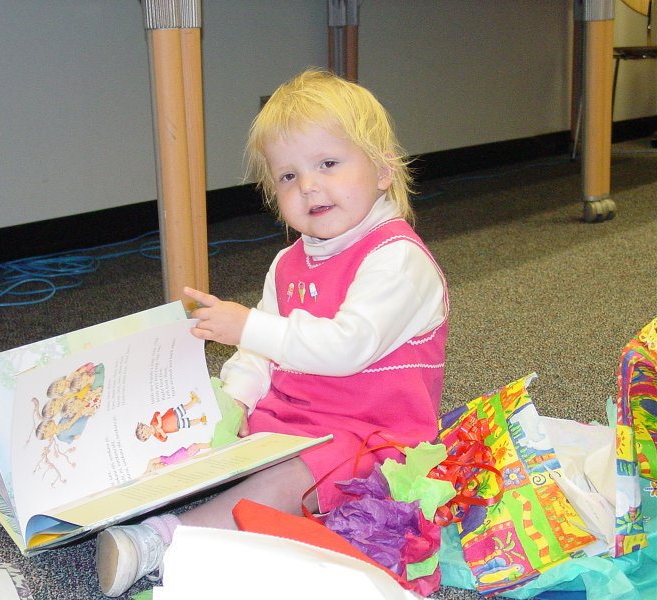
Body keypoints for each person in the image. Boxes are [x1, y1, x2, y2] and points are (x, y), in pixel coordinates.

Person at [95, 68, 449, 597]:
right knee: (193, 425)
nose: (308, 185)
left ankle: (163, 540)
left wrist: (249, 325)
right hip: (292, 419)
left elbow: (347, 346)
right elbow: (257, 353)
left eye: (328, 164)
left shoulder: (396, 259)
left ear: (382, 170)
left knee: (291, 478)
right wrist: (234, 398)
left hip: (370, 440)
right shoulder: (288, 263)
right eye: (287, 176)